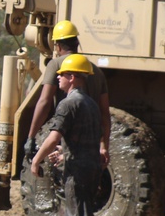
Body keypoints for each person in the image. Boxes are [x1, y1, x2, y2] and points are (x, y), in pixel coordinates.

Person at [31, 54, 103, 216]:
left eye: (61, 75)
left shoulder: (68, 103)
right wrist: (64, 154)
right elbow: (87, 141)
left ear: (72, 78)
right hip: (91, 168)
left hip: (78, 171)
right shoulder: (91, 104)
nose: (58, 78)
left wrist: (36, 160)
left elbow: (53, 138)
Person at [25, 20, 110, 167]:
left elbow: (45, 101)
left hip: (66, 135)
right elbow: (105, 113)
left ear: (57, 45)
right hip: (89, 139)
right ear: (76, 43)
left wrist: (31, 137)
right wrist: (104, 146)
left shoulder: (57, 64)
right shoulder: (96, 70)